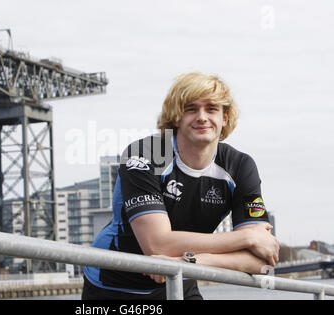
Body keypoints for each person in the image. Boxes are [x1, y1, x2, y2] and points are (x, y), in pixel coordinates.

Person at [82, 72, 279, 300]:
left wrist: (187, 262)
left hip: (181, 275)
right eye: (191, 109)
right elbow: (157, 246)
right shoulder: (147, 154)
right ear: (176, 117)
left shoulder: (240, 166)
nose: (202, 117)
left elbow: (262, 261)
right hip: (115, 284)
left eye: (212, 108)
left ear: (225, 117)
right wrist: (246, 238)